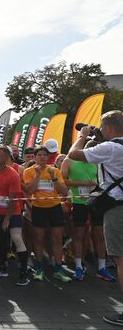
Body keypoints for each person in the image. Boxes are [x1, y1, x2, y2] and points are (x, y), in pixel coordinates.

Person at [66, 110, 123, 327]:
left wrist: (82, 135)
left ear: (107, 128)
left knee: (121, 259)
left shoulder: (110, 148)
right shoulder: (114, 146)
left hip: (117, 209)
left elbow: (74, 154)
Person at [61, 140, 115, 282]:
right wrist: (82, 183)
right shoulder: (69, 161)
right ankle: (78, 266)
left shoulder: (98, 162)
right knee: (78, 234)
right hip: (79, 201)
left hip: (96, 201)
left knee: (99, 234)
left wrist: (96, 186)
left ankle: (102, 268)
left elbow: (104, 180)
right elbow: (62, 181)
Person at [23, 146, 71, 283]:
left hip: (55, 207)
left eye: (45, 155)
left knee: (57, 239)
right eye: (39, 155)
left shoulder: (55, 170)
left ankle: (58, 269)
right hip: (38, 208)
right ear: (35, 157)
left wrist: (53, 178)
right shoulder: (29, 171)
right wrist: (38, 175)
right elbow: (30, 190)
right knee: (39, 238)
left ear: (48, 157)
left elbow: (64, 191)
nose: (42, 157)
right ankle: (39, 268)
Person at [0, 146, 30, 286]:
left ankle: (24, 271)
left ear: (6, 158)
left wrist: (7, 219)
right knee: (1, 238)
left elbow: (13, 199)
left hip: (13, 212)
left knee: (16, 238)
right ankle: (2, 267)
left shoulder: (13, 175)